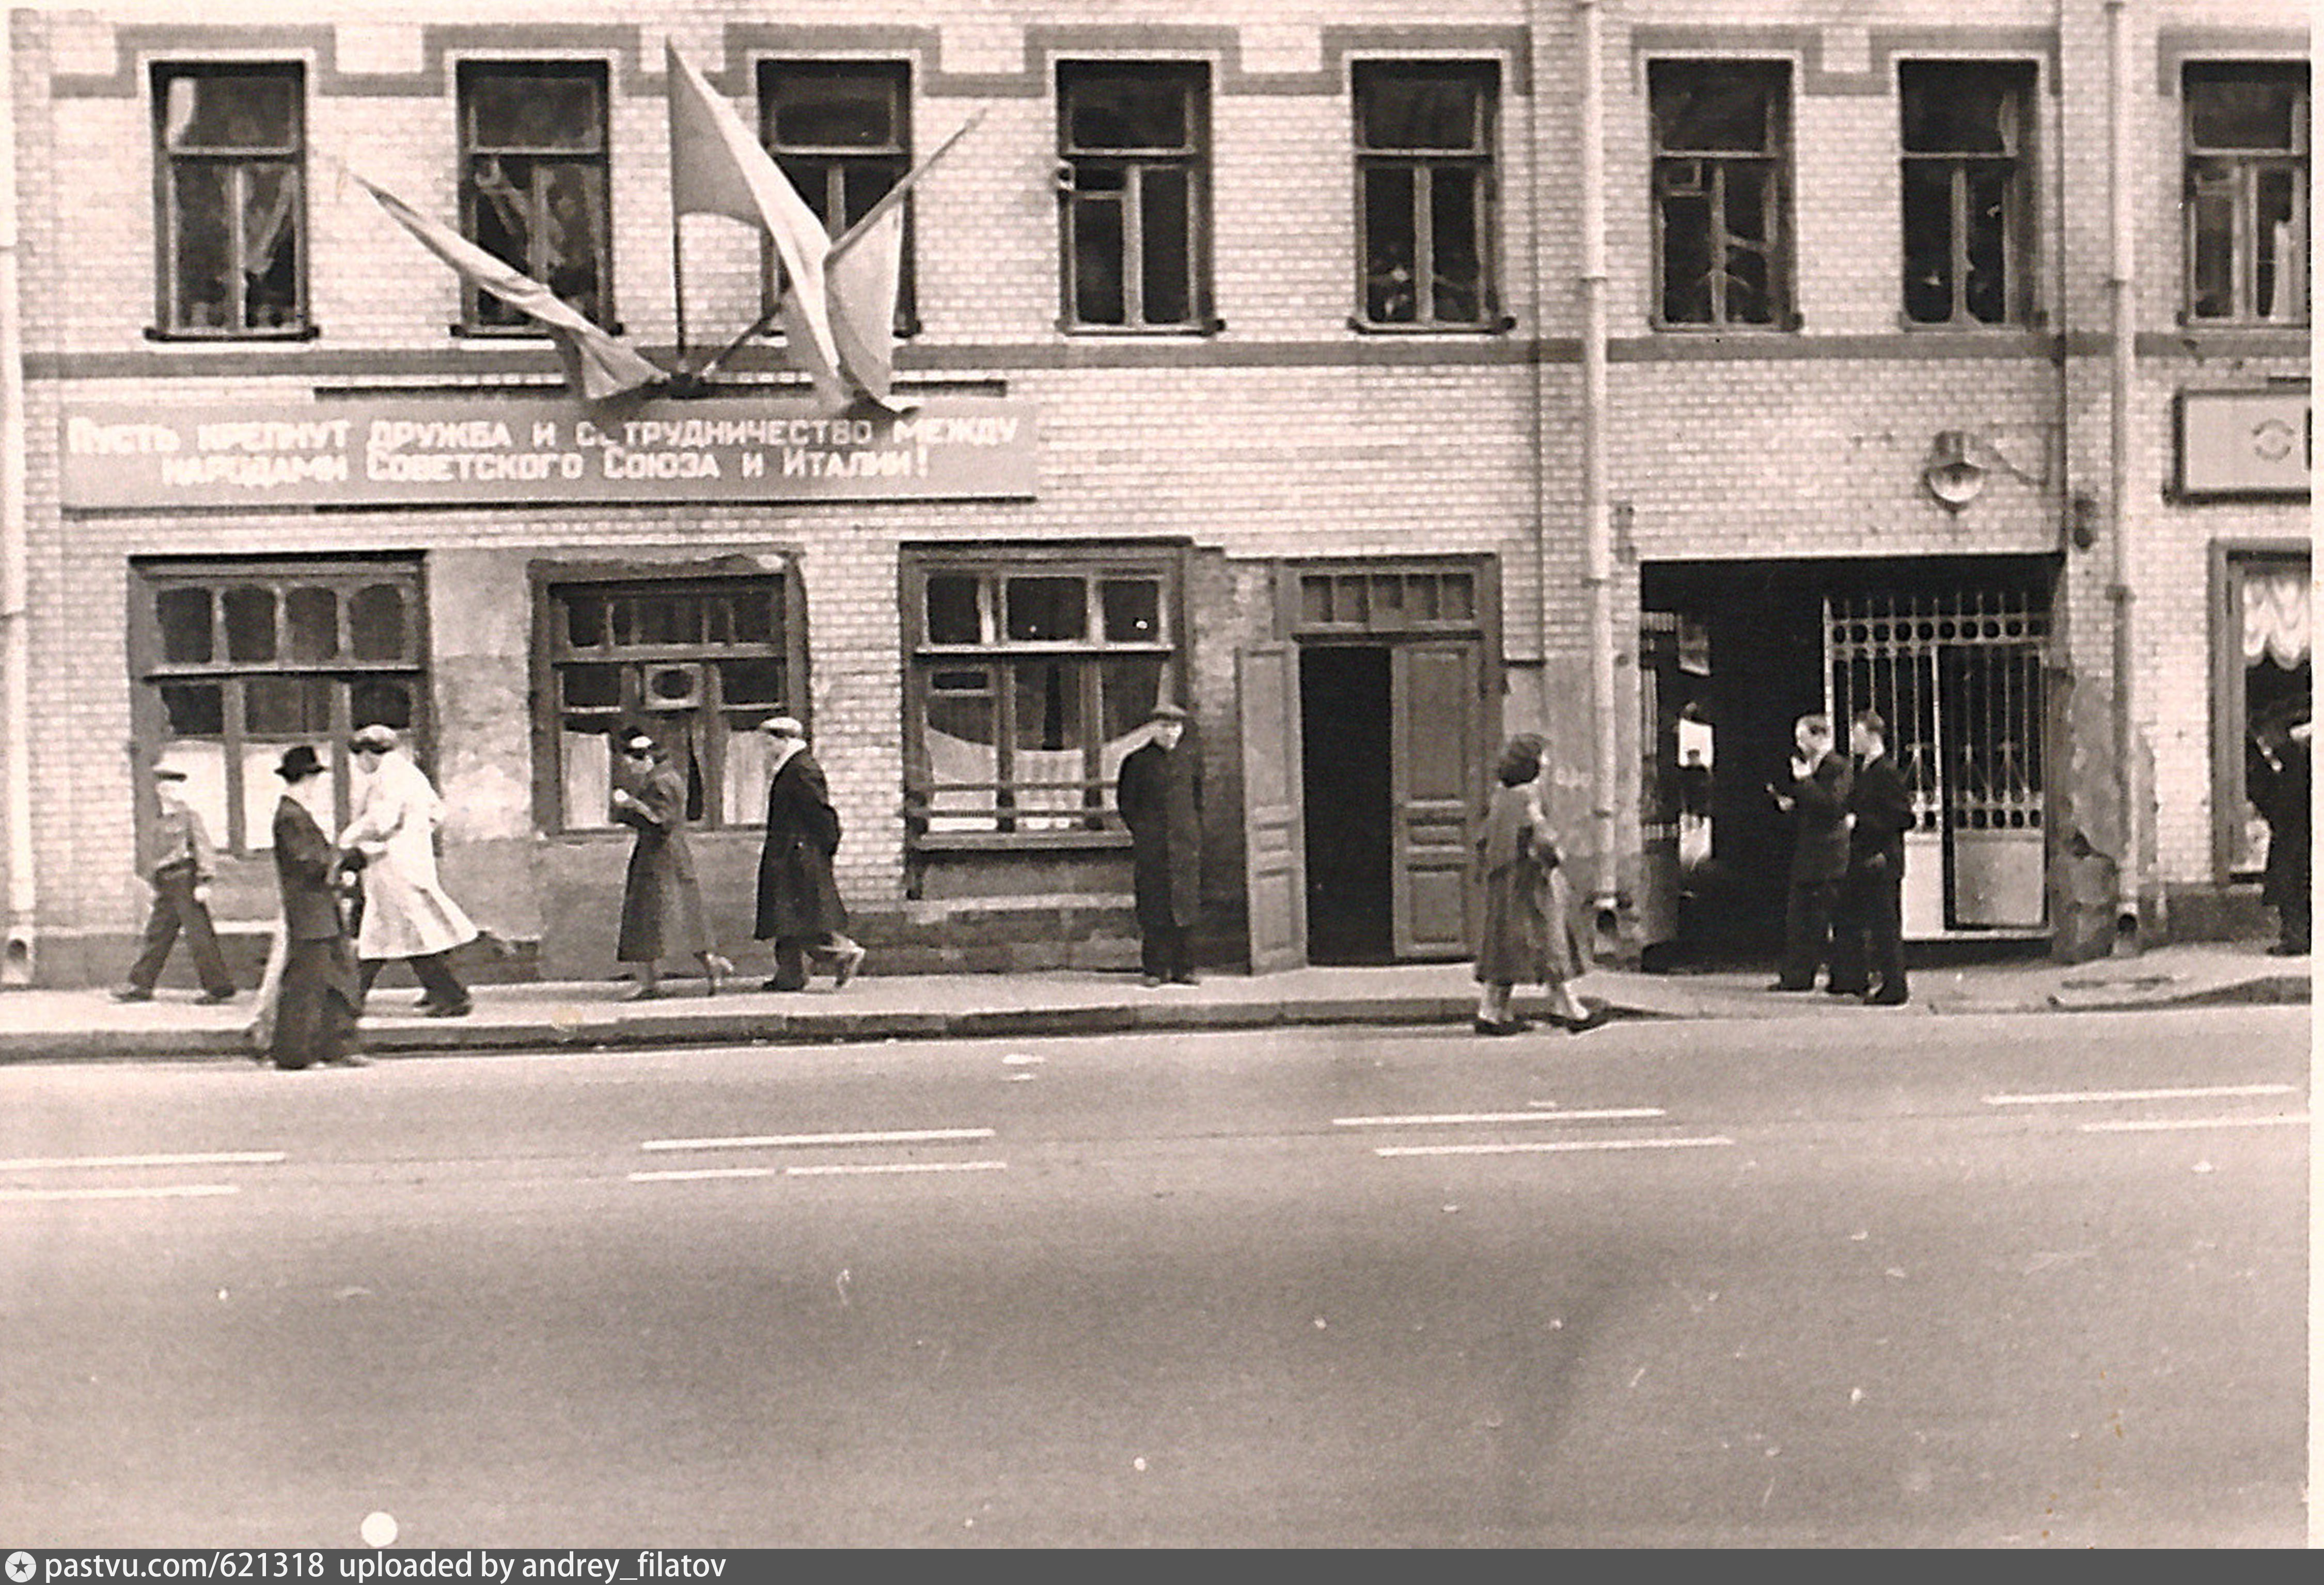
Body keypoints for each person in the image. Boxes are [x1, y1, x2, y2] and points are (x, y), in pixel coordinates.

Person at [338, 725, 476, 1018]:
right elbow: (436, 813)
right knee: (406, 931)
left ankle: (452, 997)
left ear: (368, 753)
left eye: (359, 756)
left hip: (392, 868)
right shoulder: (410, 774)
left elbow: (381, 822)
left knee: (400, 933)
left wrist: (348, 839)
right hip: (411, 861)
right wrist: (416, 834)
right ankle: (440, 991)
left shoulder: (386, 779)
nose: (359, 764)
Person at [1472, 734, 1602, 1035]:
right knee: (1549, 941)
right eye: (1542, 756)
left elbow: (1484, 840)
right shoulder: (1527, 796)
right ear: (1530, 763)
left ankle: (1493, 1011)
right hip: (1532, 882)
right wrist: (1556, 857)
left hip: (1505, 881)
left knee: (1504, 945)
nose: (1547, 761)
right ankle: (1569, 1009)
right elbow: (1541, 836)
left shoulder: (1501, 795)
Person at [609, 729, 729, 1000]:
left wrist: (630, 805)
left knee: (645, 919)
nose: (632, 770)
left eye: (633, 763)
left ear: (645, 759)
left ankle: (648, 982)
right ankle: (712, 966)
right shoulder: (668, 777)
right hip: (671, 856)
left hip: (657, 857)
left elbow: (661, 822)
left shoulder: (660, 783)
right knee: (686, 918)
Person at [266, 744, 364, 1070]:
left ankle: (335, 1047)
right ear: (306, 779)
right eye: (314, 778)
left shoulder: (296, 814)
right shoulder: (291, 816)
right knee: (306, 984)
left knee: (335, 979)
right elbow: (309, 862)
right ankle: (295, 1053)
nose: (317, 786)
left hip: (321, 912)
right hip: (309, 912)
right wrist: (346, 859)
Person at [752, 715, 865, 991]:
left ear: (784, 739)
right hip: (790, 851)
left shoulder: (801, 769)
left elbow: (821, 812)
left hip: (798, 854)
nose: (766, 750)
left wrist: (824, 847)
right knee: (786, 916)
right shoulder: (791, 767)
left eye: (769, 743)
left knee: (798, 917)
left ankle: (842, 954)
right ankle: (790, 976)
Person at [113, 760, 237, 1005]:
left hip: (186, 879)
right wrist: (152, 882)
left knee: (199, 934)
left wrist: (204, 880)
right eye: (165, 788)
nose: (170, 793)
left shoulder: (189, 817)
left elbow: (203, 848)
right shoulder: (157, 821)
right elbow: (152, 855)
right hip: (166, 883)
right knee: (157, 933)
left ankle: (218, 986)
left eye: (175, 788)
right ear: (159, 791)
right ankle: (141, 985)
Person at [1829, 709, 1914, 1006]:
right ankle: (1854, 978)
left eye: (1857, 735)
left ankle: (1895, 987)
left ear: (1872, 736)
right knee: (1853, 917)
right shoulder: (1864, 769)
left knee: (1885, 926)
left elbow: (1905, 818)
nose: (1853, 741)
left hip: (1881, 859)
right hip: (1864, 857)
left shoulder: (1887, 772)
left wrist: (1861, 822)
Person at [1116, 702, 1202, 987]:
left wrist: (1190, 833)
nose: (1170, 733)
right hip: (1152, 848)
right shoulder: (1137, 762)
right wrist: (1144, 832)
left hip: (1185, 847)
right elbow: (1127, 804)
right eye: (1165, 726)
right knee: (1154, 908)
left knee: (1185, 907)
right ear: (1153, 728)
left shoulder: (1190, 760)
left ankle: (1184, 968)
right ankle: (1155, 970)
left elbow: (1198, 801)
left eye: (1176, 727)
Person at [1768, 713, 1853, 991]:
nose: (1798, 743)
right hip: (1811, 856)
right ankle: (1797, 976)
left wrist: (1804, 782)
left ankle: (1818, 976)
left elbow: (1832, 806)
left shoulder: (1838, 766)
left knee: (1817, 919)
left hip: (1828, 857)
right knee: (1800, 919)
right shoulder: (1814, 767)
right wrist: (1791, 803)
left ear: (1819, 736)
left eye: (1802, 737)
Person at [2249, 712, 2311, 957]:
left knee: (2291, 883)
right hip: (2298, 831)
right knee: (2296, 882)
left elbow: (2279, 800)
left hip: (2293, 832)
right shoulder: (2300, 758)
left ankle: (2296, 938)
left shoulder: (2293, 762)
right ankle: (2298, 936)